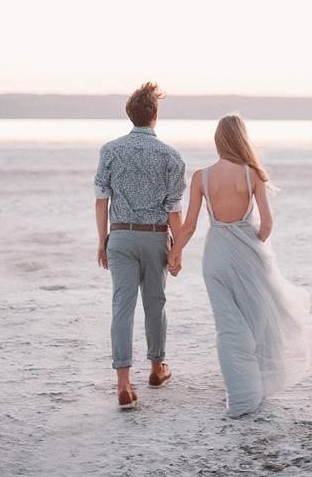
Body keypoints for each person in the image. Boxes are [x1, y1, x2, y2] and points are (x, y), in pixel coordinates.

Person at [167, 113, 312, 417]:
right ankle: (256, 390)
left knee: (227, 327)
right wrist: (253, 244)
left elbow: (188, 226)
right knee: (258, 322)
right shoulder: (252, 174)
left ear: (218, 140)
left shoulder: (201, 176)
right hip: (248, 255)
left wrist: (175, 253)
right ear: (242, 139)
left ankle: (239, 396)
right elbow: (267, 223)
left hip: (215, 256)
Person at [94, 82, 186, 409]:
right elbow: (174, 210)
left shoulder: (110, 150)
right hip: (155, 236)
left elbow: (101, 201)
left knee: (122, 306)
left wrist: (102, 240)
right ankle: (157, 368)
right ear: (155, 116)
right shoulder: (170, 156)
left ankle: (123, 382)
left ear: (129, 114)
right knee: (155, 304)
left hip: (119, 235)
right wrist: (177, 251)